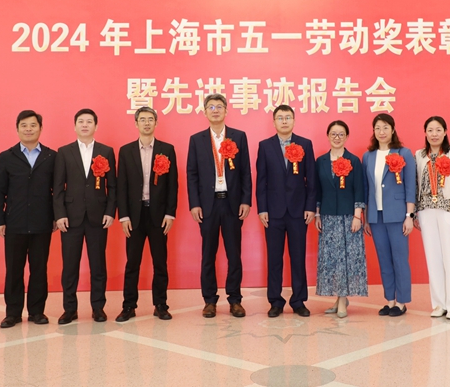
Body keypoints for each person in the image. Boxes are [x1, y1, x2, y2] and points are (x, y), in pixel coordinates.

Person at [186, 93, 252, 318]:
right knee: (208, 254)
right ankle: (209, 300)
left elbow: (245, 172)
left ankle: (235, 299)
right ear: (205, 112)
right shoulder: (197, 140)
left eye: (219, 106)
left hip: (232, 204)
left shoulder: (238, 136)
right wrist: (194, 204)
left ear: (226, 110)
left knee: (234, 254)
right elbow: (192, 174)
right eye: (211, 107)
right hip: (208, 205)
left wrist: (246, 200)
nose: (215, 110)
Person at [0, 110, 57, 328]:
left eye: (33, 125)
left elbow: (57, 190)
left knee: (39, 269)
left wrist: (56, 216)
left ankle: (37, 312)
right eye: (24, 125)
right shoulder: (6, 157)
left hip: (42, 223)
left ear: (40, 128)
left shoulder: (51, 156)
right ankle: (12, 313)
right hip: (14, 223)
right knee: (14, 270)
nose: (28, 129)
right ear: (17, 129)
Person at [53, 109, 116, 324]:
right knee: (70, 267)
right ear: (75, 126)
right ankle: (70, 309)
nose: (85, 125)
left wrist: (110, 211)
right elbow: (58, 187)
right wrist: (60, 214)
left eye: (89, 121)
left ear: (96, 126)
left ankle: (98, 307)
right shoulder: (64, 152)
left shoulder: (106, 151)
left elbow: (112, 186)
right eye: (81, 121)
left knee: (98, 265)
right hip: (71, 218)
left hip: (98, 217)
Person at [115, 107, 178, 322]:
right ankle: (128, 306)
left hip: (159, 215)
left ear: (156, 123)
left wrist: (170, 213)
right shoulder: (126, 151)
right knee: (132, 263)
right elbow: (121, 186)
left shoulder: (166, 149)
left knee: (160, 262)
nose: (146, 123)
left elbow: (173, 185)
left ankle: (160, 305)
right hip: (134, 216)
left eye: (150, 119)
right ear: (136, 124)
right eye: (142, 120)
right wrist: (123, 216)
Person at [256, 105, 316, 318]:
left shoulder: (305, 144)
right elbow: (261, 181)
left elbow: (311, 179)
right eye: (280, 118)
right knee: (274, 259)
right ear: (274, 122)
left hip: (299, 212)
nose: (284, 121)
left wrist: (310, 207)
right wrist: (262, 209)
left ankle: (299, 301)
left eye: (287, 117)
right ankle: (275, 301)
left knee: (298, 258)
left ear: (294, 121)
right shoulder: (265, 146)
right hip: (273, 212)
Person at [413, 116, 450, 320]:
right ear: (425, 133)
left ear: (445, 132)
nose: (434, 134)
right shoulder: (419, 155)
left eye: (438, 130)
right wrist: (415, 212)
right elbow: (415, 185)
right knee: (433, 257)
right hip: (426, 211)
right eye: (430, 130)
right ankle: (439, 304)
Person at [362, 113, 415, 317]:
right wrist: (367, 217)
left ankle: (401, 302)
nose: (381, 132)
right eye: (377, 128)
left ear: (392, 129)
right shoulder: (368, 156)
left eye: (385, 127)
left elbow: (410, 186)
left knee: (400, 259)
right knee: (384, 259)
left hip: (397, 215)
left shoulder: (404, 153)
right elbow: (367, 189)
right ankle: (390, 300)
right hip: (376, 216)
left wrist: (409, 215)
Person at [315, 120, 367, 318]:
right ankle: (338, 298)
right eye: (333, 134)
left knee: (347, 260)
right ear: (328, 136)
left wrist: (357, 216)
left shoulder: (354, 160)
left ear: (347, 137)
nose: (337, 138)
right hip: (328, 217)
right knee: (332, 260)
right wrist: (317, 214)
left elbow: (359, 189)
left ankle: (343, 299)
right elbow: (317, 190)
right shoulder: (320, 161)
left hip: (348, 217)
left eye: (341, 134)